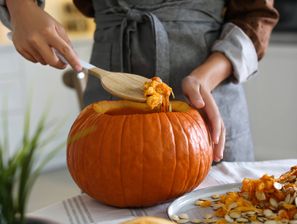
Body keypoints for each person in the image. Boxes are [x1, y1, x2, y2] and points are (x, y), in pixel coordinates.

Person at [0, 0, 279, 163]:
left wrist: (204, 78)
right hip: (108, 99)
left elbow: (256, 17)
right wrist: (20, 6)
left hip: (208, 100)